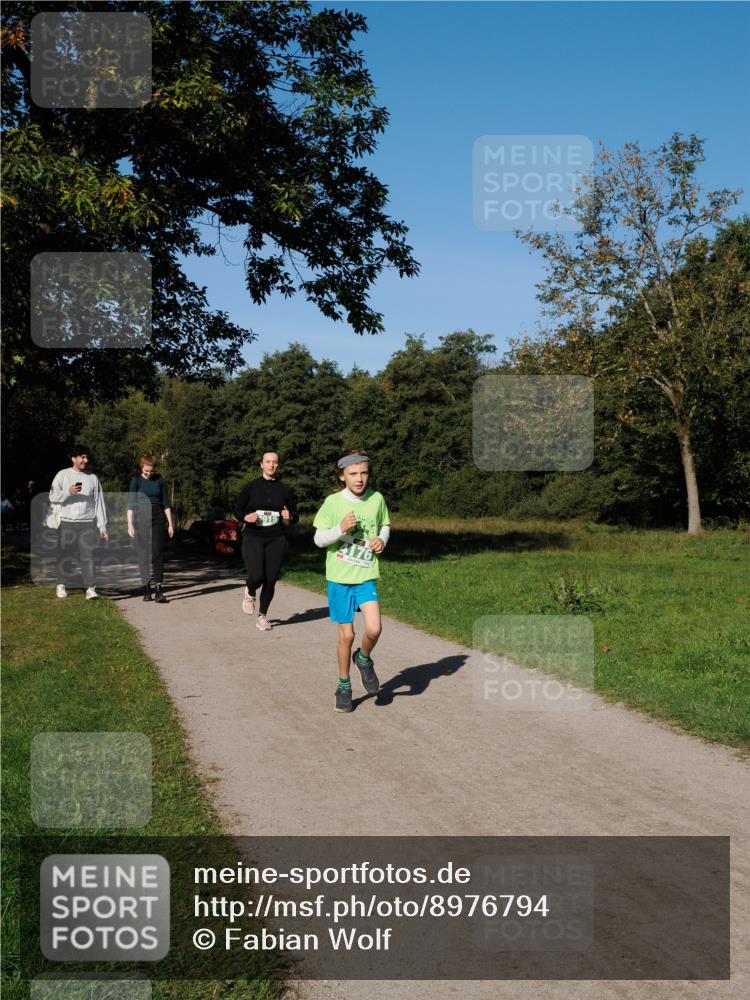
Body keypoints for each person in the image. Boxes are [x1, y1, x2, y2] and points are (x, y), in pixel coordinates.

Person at [312, 449, 390, 713]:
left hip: (366, 576)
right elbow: (318, 539)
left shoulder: (377, 499)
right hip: (340, 580)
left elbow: (385, 525)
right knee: (347, 635)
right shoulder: (333, 503)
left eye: (364, 473)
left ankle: (364, 658)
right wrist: (341, 529)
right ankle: (344, 686)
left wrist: (382, 539)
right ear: (342, 476)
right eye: (353, 474)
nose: (359, 479)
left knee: (374, 629)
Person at [234, 451, 299, 631]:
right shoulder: (251, 487)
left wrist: (290, 516)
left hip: (276, 538)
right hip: (254, 536)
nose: (271, 465)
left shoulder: (285, 490)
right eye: (268, 462)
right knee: (257, 576)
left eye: (275, 462)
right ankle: (250, 589)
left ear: (278, 465)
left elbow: (295, 517)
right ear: (261, 464)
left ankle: (262, 616)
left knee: (270, 579)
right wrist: (246, 517)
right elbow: (237, 511)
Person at [49, 444, 108, 599]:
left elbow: (99, 502)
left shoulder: (92, 478)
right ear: (73, 458)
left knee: (87, 556)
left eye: (87, 457)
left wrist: (102, 525)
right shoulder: (62, 475)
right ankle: (61, 585)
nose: (86, 460)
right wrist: (68, 493)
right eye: (82, 457)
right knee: (64, 555)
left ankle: (90, 589)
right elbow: (52, 497)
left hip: (87, 523)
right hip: (66, 523)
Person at [127, 452, 175, 603]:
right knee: (143, 555)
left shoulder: (161, 480)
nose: (149, 473)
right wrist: (130, 524)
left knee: (157, 553)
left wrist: (171, 524)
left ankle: (159, 590)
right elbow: (130, 505)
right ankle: (146, 588)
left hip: (158, 517)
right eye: (146, 471)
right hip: (141, 518)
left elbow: (166, 503)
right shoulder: (136, 481)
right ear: (141, 467)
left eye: (151, 470)